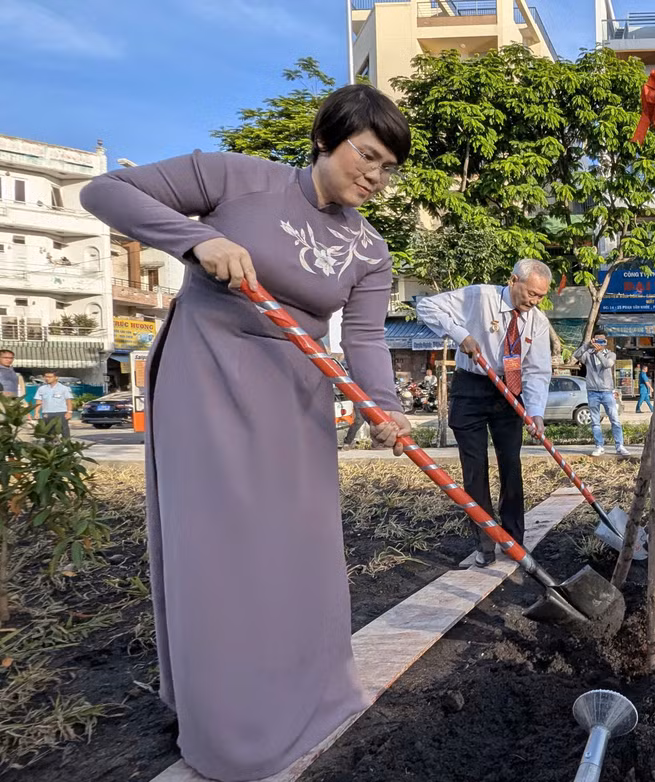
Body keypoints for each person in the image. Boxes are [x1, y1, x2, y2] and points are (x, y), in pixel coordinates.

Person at [79, 84, 412, 781]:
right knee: (223, 549)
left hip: (295, 394)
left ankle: (311, 697)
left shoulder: (370, 248)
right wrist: (200, 239)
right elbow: (104, 194)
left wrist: (384, 407)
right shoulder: (234, 177)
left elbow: (366, 336)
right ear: (328, 138)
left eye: (388, 168)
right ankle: (231, 725)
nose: (375, 178)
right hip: (207, 376)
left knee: (300, 546)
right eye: (368, 157)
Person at [417, 259, 553, 565]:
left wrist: (536, 413)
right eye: (530, 293)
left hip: (510, 391)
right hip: (472, 386)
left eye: (540, 297)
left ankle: (514, 541)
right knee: (475, 469)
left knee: (511, 464)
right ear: (513, 280)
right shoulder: (479, 297)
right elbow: (426, 307)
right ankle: (484, 543)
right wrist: (459, 334)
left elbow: (538, 371)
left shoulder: (538, 322)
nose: (533, 301)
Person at [574, 330, 629, 457]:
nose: (599, 342)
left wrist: (598, 352)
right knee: (595, 421)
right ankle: (599, 446)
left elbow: (607, 364)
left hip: (607, 391)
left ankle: (619, 446)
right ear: (593, 340)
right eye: (597, 340)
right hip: (592, 391)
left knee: (614, 419)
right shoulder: (588, 354)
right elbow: (576, 355)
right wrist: (587, 345)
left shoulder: (611, 354)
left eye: (602, 340)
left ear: (606, 342)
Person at [33, 372, 74, 437]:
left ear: (56, 377)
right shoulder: (41, 389)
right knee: (48, 432)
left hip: (61, 413)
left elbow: (68, 401)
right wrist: (36, 412)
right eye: (46, 377)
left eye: (50, 377)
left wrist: (69, 412)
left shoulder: (64, 388)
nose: (47, 379)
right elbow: (39, 401)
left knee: (64, 431)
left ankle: (66, 444)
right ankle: (49, 445)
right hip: (47, 413)